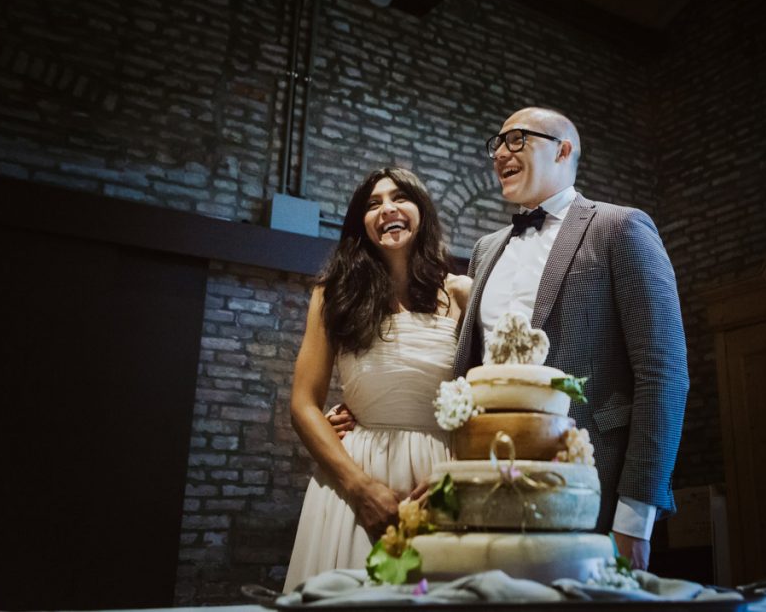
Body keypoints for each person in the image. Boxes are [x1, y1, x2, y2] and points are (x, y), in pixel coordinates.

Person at [451, 107, 689, 571]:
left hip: (591, 486)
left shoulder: (619, 227)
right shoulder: (484, 251)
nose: (501, 151)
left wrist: (635, 517)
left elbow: (663, 373)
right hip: (489, 484)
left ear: (564, 150)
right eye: (496, 143)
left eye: (517, 139)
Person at [283, 167, 470, 591]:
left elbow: (487, 400)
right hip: (356, 479)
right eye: (372, 204)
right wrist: (361, 488)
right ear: (361, 224)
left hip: (441, 478)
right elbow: (302, 404)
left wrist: (460, 474)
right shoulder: (333, 293)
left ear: (422, 211)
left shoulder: (460, 293)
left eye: (399, 197)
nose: (387, 209)